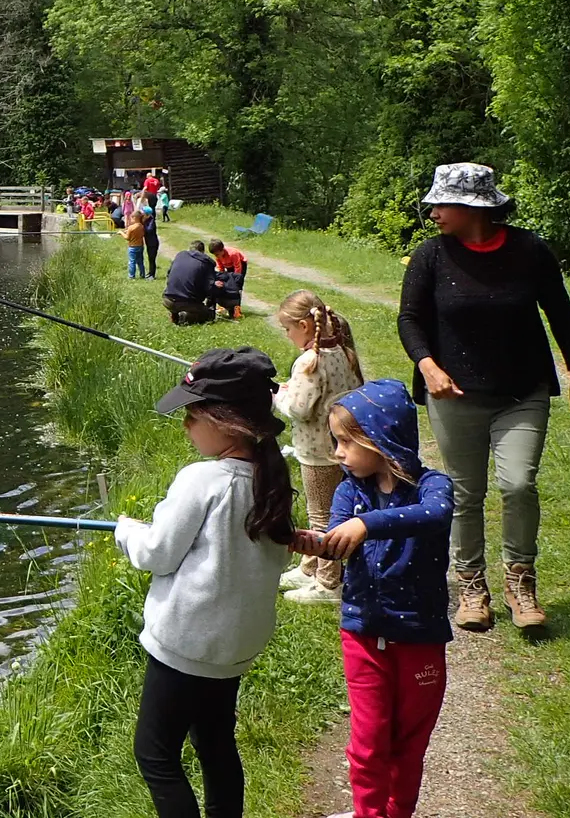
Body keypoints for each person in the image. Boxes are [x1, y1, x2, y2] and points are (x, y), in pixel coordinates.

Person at [398, 162, 570, 631]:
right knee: (466, 493)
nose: (433, 211)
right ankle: (471, 586)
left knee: (518, 483)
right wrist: (428, 365)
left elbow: (559, 311)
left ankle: (520, 581)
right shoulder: (431, 256)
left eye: (441, 203)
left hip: (522, 391)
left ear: (473, 207)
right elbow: (409, 319)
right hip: (455, 394)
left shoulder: (530, 251)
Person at [117, 348, 298, 818]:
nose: (185, 426)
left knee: (155, 754)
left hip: (187, 644)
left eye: (192, 415)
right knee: (216, 741)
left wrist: (126, 530)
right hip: (233, 647)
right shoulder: (271, 477)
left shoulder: (201, 480)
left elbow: (156, 553)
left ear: (226, 421)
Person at [295, 379, 454, 818]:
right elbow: (337, 539)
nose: (338, 452)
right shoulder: (350, 489)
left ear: (381, 440)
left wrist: (370, 525)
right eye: (335, 440)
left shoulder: (431, 486)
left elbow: (436, 515)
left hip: (420, 636)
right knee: (367, 745)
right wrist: (310, 542)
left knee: (408, 744)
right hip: (363, 634)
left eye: (346, 441)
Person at [273, 290, 365, 604]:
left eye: (287, 329)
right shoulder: (341, 350)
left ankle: (328, 583)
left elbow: (299, 409)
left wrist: (279, 396)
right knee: (328, 508)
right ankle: (309, 566)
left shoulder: (309, 361)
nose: (286, 335)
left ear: (303, 325)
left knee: (322, 516)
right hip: (340, 446)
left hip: (316, 451)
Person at [163, 240, 217, 324]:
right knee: (209, 315)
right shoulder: (206, 263)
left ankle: (174, 313)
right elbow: (209, 287)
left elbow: (169, 274)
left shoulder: (180, 256)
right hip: (186, 302)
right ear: (202, 251)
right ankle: (184, 317)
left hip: (167, 300)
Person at [209, 239, 248, 319]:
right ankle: (224, 306)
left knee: (237, 287)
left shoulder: (233, 254)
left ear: (222, 250)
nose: (216, 256)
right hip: (229, 266)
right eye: (215, 255)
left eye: (217, 254)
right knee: (225, 284)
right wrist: (222, 277)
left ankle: (237, 309)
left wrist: (236, 280)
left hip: (240, 266)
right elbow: (221, 268)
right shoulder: (218, 257)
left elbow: (238, 268)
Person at [141, 194, 162, 277]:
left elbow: (149, 230)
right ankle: (150, 273)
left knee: (152, 259)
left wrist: (143, 227)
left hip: (153, 243)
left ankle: (152, 275)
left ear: (148, 214)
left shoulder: (151, 221)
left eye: (144, 214)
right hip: (149, 243)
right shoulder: (147, 220)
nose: (143, 215)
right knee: (150, 258)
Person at [126, 208, 148, 278]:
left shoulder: (131, 227)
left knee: (132, 262)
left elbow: (127, 238)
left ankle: (131, 276)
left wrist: (120, 233)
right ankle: (142, 274)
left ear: (134, 218)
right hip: (140, 246)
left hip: (132, 247)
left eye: (131, 219)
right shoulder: (142, 226)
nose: (131, 220)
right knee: (140, 262)